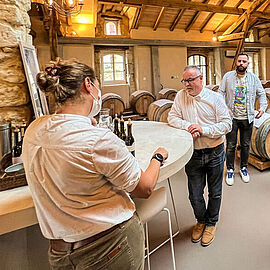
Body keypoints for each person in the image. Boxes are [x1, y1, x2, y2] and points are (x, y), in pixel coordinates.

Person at [22, 59, 168, 270]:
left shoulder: (34, 129)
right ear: (88, 85)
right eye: (98, 87)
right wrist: (158, 157)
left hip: (60, 253)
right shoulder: (98, 140)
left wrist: (85, 123)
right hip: (110, 247)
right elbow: (144, 188)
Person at [168, 65, 231, 247]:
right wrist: (188, 126)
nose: (187, 84)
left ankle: (211, 223)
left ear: (200, 78)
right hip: (193, 154)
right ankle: (201, 220)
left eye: (191, 80)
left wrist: (204, 129)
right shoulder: (180, 96)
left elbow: (227, 124)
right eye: (184, 80)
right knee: (195, 195)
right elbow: (172, 118)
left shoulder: (215, 98)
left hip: (214, 151)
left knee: (215, 192)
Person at [219, 52, 267, 186]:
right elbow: (220, 93)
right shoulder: (228, 77)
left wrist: (262, 108)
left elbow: (262, 94)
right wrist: (225, 108)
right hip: (232, 117)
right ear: (236, 62)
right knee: (231, 145)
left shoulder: (253, 78)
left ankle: (243, 168)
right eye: (239, 61)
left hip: (248, 117)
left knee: (246, 145)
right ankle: (229, 169)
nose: (241, 63)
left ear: (248, 64)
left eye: (244, 61)